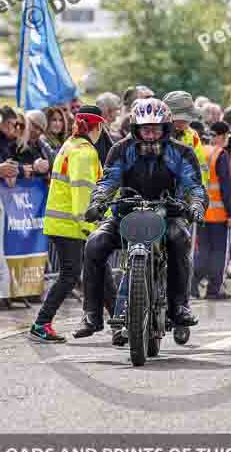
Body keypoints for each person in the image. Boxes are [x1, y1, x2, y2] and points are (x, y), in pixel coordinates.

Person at [77, 98, 208, 338]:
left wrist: (197, 205)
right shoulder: (121, 149)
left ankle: (179, 306)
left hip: (169, 214)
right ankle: (91, 314)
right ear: (136, 129)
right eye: (145, 129)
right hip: (126, 214)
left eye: (155, 129)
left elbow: (194, 185)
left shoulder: (182, 152)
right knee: (94, 244)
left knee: (181, 239)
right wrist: (98, 202)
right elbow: (108, 180)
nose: (150, 134)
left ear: (166, 129)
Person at [29, 106, 106, 343]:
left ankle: (120, 323)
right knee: (71, 274)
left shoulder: (70, 145)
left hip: (62, 223)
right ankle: (41, 323)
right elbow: (83, 193)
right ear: (99, 127)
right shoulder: (84, 152)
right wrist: (90, 226)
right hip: (72, 225)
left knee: (94, 271)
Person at [193, 122, 231, 299]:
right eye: (226, 137)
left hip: (202, 212)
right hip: (219, 214)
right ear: (221, 136)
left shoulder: (200, 152)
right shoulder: (221, 155)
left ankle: (192, 283)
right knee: (220, 252)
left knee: (203, 251)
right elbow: (225, 187)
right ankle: (214, 288)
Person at [164, 91, 209, 186]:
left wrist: (199, 194)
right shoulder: (152, 136)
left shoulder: (192, 135)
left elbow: (202, 168)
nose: (189, 121)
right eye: (184, 119)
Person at [14, 110, 54, 180]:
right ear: (25, 121)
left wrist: (48, 165)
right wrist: (33, 167)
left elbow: (54, 159)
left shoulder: (42, 146)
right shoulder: (14, 141)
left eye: (41, 130)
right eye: (35, 126)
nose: (37, 132)